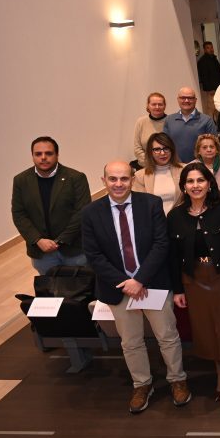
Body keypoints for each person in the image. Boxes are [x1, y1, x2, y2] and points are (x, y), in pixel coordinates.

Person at [81, 161, 190, 414]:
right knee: (130, 342)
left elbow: (161, 244)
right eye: (113, 179)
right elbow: (93, 255)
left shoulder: (150, 204)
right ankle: (142, 384)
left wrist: (139, 279)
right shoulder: (90, 212)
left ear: (132, 179)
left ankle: (177, 379)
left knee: (167, 336)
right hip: (117, 288)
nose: (118, 184)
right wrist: (125, 283)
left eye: (124, 178)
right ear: (103, 181)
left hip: (152, 282)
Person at [167, 162, 220, 409]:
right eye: (190, 181)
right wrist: (178, 289)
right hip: (193, 279)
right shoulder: (175, 216)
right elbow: (173, 257)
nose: (195, 185)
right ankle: (218, 372)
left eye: (200, 180)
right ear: (183, 186)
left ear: (210, 184)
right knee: (206, 330)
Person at [11, 136, 91, 275]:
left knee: (81, 286)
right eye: (38, 154)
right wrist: (37, 240)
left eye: (48, 153)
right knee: (49, 287)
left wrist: (60, 241)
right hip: (41, 252)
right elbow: (19, 214)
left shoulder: (76, 178)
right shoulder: (21, 180)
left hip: (74, 249)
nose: (43, 157)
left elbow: (82, 212)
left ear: (57, 154)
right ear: (32, 156)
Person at [133, 133, 184, 216]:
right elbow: (139, 205)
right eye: (157, 149)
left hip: (179, 219)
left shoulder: (184, 170)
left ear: (172, 150)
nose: (162, 153)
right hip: (153, 220)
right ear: (150, 152)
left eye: (166, 148)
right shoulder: (140, 176)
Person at [164, 87, 218, 163]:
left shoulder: (207, 120)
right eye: (183, 98)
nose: (186, 100)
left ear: (195, 100)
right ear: (178, 100)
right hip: (175, 165)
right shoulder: (169, 120)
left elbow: (214, 145)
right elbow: (165, 144)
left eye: (190, 98)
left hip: (200, 165)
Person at [194, 133, 220, 208]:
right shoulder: (192, 167)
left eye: (212, 147)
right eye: (204, 147)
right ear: (198, 151)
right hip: (201, 210)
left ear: (217, 150)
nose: (209, 150)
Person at [132, 92, 168, 169]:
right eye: (154, 104)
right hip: (145, 166)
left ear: (164, 106)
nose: (157, 107)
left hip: (166, 166)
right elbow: (137, 148)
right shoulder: (141, 122)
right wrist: (150, 163)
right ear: (148, 106)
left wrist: (161, 164)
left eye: (160, 104)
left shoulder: (170, 121)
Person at [196, 41, 220, 116]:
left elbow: (219, 73)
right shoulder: (202, 61)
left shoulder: (214, 59)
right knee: (211, 108)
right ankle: (210, 122)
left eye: (211, 47)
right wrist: (209, 89)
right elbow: (203, 76)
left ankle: (218, 122)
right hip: (211, 90)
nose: (211, 49)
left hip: (218, 87)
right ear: (204, 50)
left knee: (218, 107)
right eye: (208, 48)